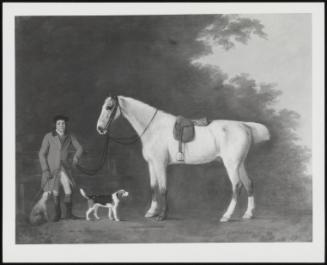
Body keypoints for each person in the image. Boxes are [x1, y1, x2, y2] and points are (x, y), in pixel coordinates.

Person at [39, 114, 83, 221]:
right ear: (55, 125)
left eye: (63, 123)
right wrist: (45, 169)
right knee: (55, 190)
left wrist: (76, 158)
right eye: (59, 123)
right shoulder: (48, 136)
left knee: (68, 189)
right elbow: (41, 154)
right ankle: (57, 215)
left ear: (65, 125)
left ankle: (68, 214)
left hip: (64, 168)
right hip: (52, 168)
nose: (61, 125)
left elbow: (80, 148)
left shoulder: (70, 136)